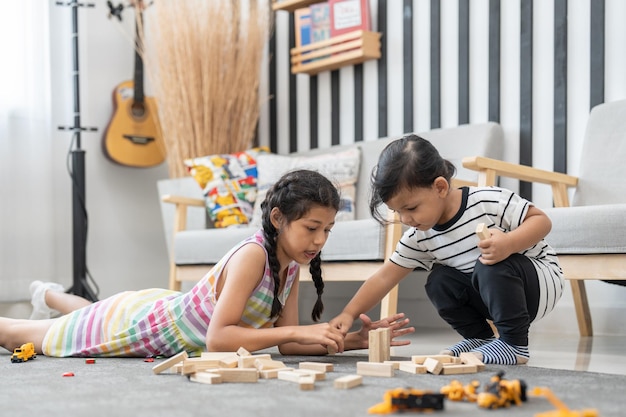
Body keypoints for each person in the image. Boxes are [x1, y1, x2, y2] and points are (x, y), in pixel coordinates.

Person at [0, 169, 413, 358]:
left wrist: (347, 342)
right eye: (311, 228)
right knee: (16, 334)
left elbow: (284, 341)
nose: (320, 241)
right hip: (138, 326)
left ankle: (48, 294)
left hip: (153, 309)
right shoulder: (253, 256)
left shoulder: (288, 265)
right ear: (277, 219)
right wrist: (305, 329)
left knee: (89, 312)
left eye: (328, 230)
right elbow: (218, 340)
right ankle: (47, 299)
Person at [330, 135, 564, 365]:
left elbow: (542, 221)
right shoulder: (419, 236)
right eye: (398, 212)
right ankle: (480, 338)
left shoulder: (486, 201)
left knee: (488, 265)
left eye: (411, 208)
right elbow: (384, 277)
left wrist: (509, 243)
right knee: (439, 281)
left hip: (539, 283)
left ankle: (514, 345)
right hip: (493, 293)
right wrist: (348, 314)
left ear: (440, 187)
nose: (406, 219)